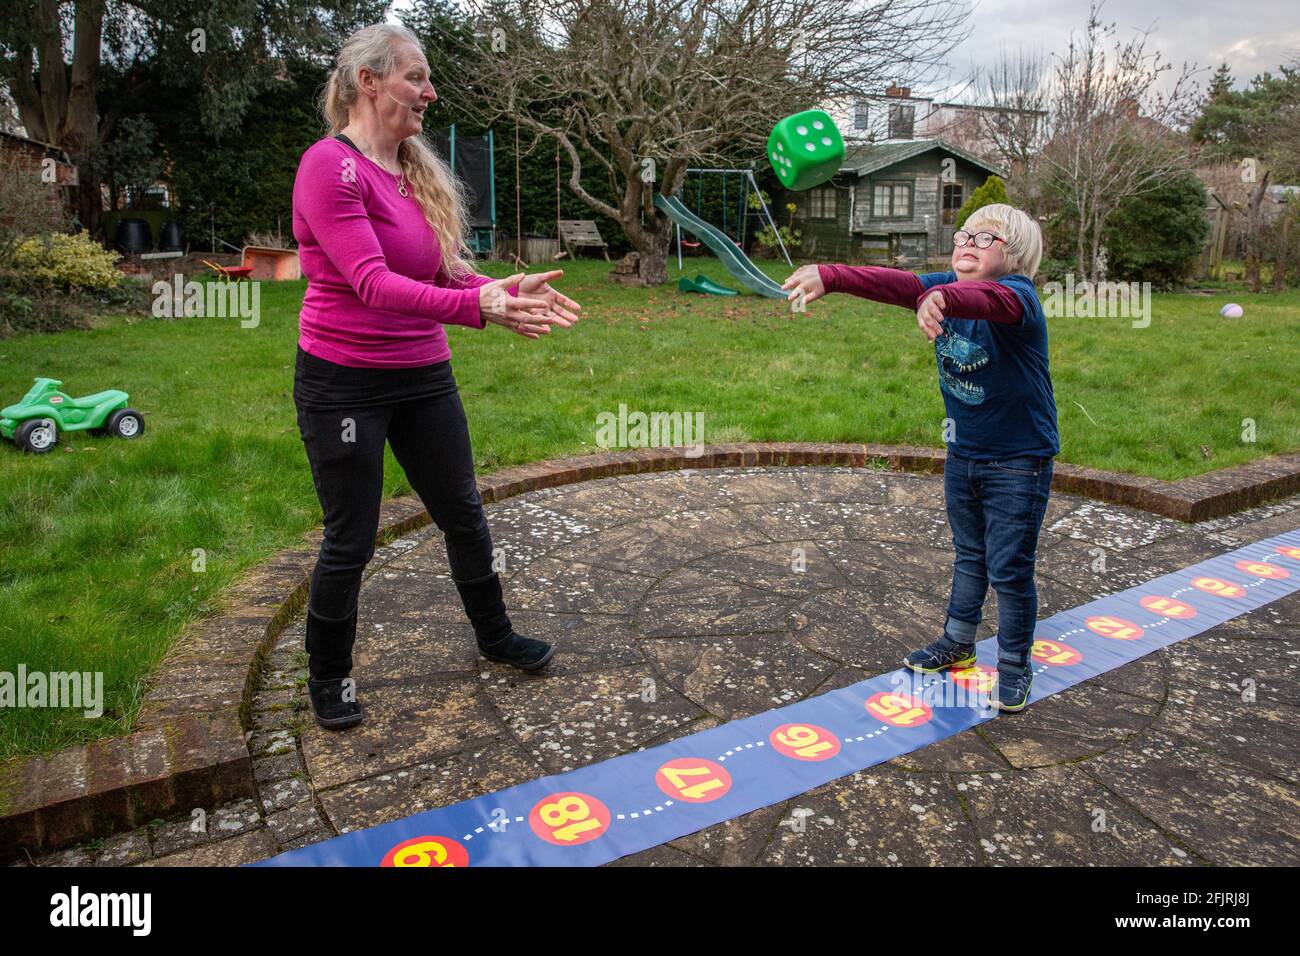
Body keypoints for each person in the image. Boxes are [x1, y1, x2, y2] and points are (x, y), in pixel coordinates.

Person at [292, 23, 581, 730]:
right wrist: (477, 307)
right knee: (350, 537)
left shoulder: (411, 167)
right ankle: (329, 677)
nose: (430, 90)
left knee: (462, 511)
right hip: (344, 383)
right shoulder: (331, 167)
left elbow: (441, 270)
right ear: (369, 82)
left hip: (423, 375)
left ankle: (495, 636)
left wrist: (498, 290)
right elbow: (371, 282)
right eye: (416, 77)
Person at [782, 203, 1057, 712]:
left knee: (1010, 568)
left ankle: (1016, 664)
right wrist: (832, 275)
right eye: (962, 235)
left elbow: (987, 300)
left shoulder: (1018, 297)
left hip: (1020, 459)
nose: (965, 245)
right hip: (965, 452)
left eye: (982, 239)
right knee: (970, 555)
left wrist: (941, 295)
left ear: (1013, 253)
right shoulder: (944, 285)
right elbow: (896, 284)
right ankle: (958, 643)